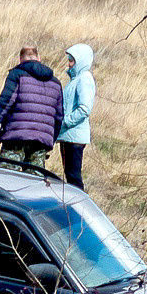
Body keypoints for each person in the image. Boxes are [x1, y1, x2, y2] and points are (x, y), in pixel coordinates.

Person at [0, 47, 63, 172]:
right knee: (32, 184)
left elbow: (6, 101)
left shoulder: (17, 75)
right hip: (41, 140)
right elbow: (59, 116)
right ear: (38, 58)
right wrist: (50, 140)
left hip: (15, 137)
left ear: (20, 60)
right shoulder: (56, 83)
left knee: (6, 178)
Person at [58, 44, 96, 189]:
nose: (69, 64)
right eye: (69, 60)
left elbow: (84, 109)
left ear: (80, 61)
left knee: (74, 179)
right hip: (69, 135)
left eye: (72, 60)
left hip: (74, 136)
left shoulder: (84, 79)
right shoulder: (75, 80)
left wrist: (65, 122)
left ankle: (80, 209)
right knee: (70, 176)